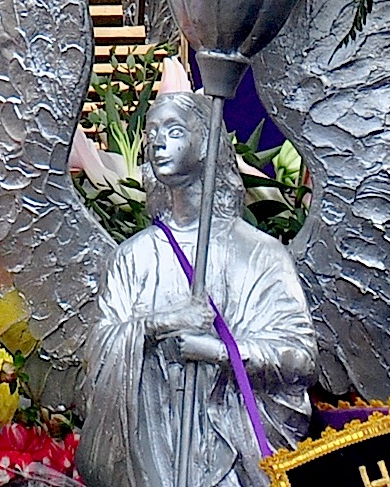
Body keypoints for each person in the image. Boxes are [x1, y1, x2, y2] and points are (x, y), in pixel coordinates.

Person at [79, 94, 318, 487]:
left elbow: (300, 358)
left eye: (174, 131)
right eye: (151, 132)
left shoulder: (259, 254)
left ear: (206, 142)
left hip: (235, 456)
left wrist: (219, 353)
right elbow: (100, 352)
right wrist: (159, 324)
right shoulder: (132, 258)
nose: (158, 142)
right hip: (156, 450)